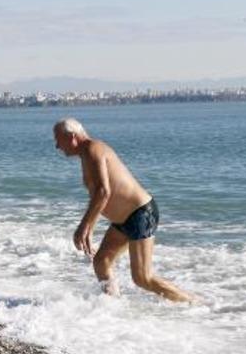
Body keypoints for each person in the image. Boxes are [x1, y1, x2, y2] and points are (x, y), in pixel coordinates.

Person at [53, 117, 193, 302]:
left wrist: (86, 227)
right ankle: (112, 307)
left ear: (72, 136)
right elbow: (99, 194)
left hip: (141, 214)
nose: (57, 146)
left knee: (143, 278)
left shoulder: (93, 149)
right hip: (124, 220)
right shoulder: (86, 153)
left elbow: (103, 192)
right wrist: (87, 226)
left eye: (58, 140)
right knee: (101, 262)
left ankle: (193, 304)